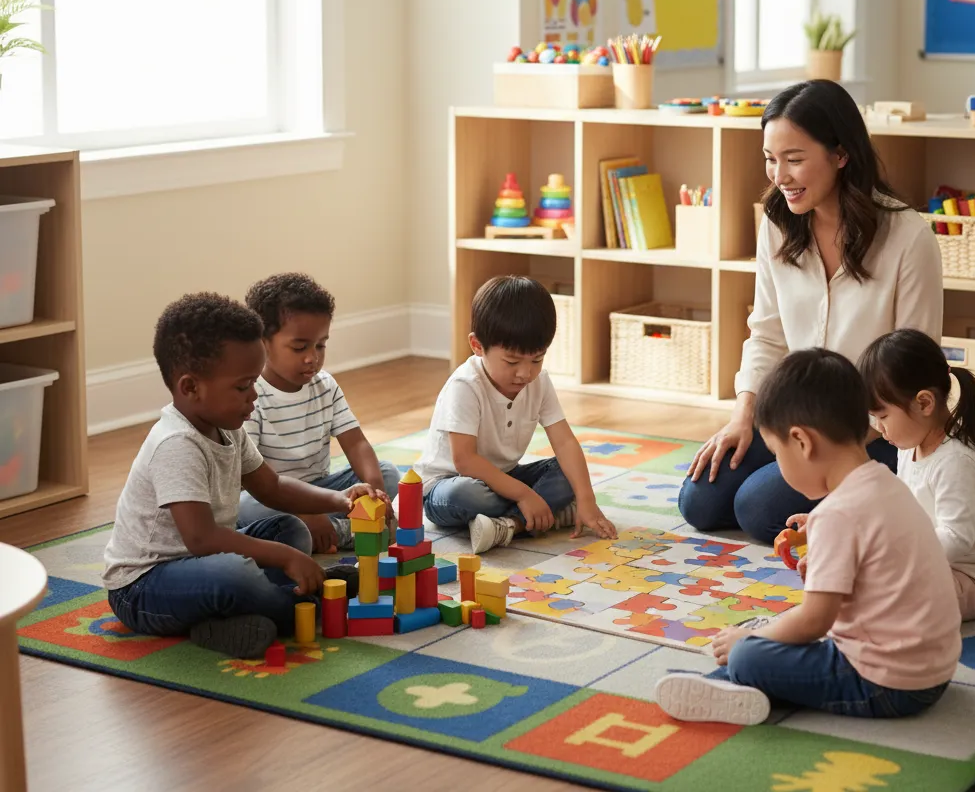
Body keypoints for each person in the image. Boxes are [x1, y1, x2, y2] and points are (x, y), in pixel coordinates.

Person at [679, 80, 944, 543]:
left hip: (876, 434)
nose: (780, 176)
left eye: (795, 159)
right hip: (796, 420)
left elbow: (915, 364)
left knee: (757, 507)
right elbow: (766, 335)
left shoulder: (907, 236)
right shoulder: (777, 224)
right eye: (770, 159)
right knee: (699, 501)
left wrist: (840, 446)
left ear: (841, 155)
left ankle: (879, 500)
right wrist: (744, 416)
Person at [655, 349, 961, 725]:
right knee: (774, 638)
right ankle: (730, 679)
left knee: (749, 654)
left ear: (801, 442)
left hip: (888, 684)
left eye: (776, 454)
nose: (779, 467)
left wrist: (752, 642)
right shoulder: (885, 482)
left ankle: (730, 681)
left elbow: (816, 620)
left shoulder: (839, 514)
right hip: (934, 670)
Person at [102, 293, 382, 659]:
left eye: (253, 383)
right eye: (242, 386)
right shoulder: (176, 443)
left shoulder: (229, 426)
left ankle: (230, 620)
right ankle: (305, 603)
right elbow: (202, 538)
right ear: (190, 388)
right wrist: (284, 558)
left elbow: (273, 487)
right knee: (235, 573)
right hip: (144, 587)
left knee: (289, 528)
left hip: (202, 562)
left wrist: (342, 499)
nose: (254, 395)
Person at [418, 275, 617, 553]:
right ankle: (544, 512)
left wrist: (587, 499)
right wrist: (524, 494)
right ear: (477, 346)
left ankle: (511, 525)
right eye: (512, 361)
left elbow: (565, 442)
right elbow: (465, 461)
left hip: (503, 479)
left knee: (567, 474)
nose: (525, 373)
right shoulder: (465, 385)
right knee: (465, 495)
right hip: (447, 487)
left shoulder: (539, 382)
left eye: (537, 359)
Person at [860, 329, 975, 620]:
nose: (879, 429)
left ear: (924, 403)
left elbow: (956, 538)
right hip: (936, 562)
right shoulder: (909, 446)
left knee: (889, 593)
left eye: (883, 417)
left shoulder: (957, 462)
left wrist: (901, 562)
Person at [238, 273, 399, 552]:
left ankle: (329, 532)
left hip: (320, 490)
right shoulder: (250, 396)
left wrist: (375, 495)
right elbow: (254, 479)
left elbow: (357, 444)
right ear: (263, 343)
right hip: (270, 495)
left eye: (320, 345)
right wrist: (306, 513)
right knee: (243, 507)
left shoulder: (324, 385)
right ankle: (344, 532)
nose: (312, 357)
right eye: (300, 347)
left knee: (388, 473)